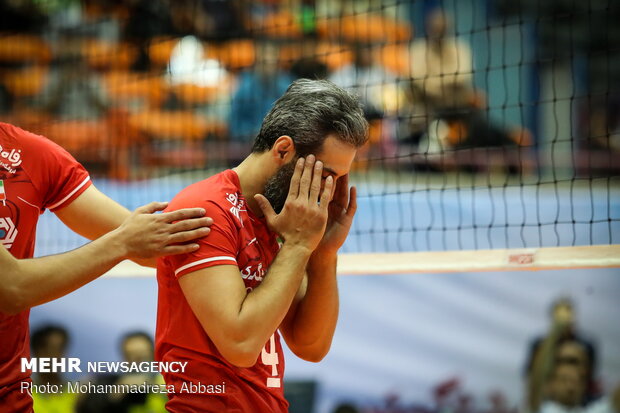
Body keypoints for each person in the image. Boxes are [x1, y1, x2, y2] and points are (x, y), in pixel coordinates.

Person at [156, 79, 368, 412]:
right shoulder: (207, 208)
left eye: (339, 178)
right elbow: (240, 344)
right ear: (283, 150)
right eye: (325, 174)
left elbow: (310, 346)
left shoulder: (277, 219)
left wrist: (323, 254)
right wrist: (298, 245)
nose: (329, 192)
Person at [0, 121, 212, 413]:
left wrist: (246, 248)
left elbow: (148, 245)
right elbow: (11, 288)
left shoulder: (31, 153)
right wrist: (121, 244)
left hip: (12, 397)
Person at [77, 331, 167, 413]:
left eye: (143, 354)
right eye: (131, 355)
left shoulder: (167, 384)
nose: (138, 360)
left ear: (154, 354)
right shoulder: (112, 383)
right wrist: (114, 395)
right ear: (124, 358)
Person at [30, 325, 77, 413]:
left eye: (60, 349)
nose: (56, 356)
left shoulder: (78, 396)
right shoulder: (23, 394)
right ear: (36, 352)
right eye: (50, 349)